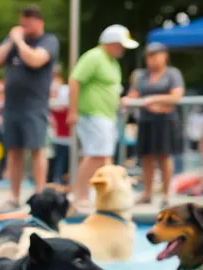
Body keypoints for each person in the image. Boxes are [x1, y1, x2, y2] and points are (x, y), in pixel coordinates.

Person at [0, 5, 61, 208]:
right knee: (14, 151)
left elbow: (35, 60)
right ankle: (13, 195)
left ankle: (40, 194)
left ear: (39, 22)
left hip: (35, 106)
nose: (24, 28)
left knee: (37, 150)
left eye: (27, 25)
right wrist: (11, 40)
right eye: (22, 25)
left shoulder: (48, 41)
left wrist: (19, 41)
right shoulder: (14, 42)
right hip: (12, 106)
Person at [68, 25, 136, 209]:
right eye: (120, 45)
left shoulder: (112, 62)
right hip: (92, 114)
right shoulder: (94, 56)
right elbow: (75, 80)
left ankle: (96, 195)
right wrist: (72, 111)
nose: (122, 49)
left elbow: (109, 88)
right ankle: (78, 194)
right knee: (96, 155)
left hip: (106, 115)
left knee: (104, 158)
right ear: (111, 42)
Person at [126, 42, 185, 205]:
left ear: (165, 56)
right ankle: (147, 193)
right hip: (146, 120)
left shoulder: (172, 74)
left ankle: (166, 194)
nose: (151, 59)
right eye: (149, 56)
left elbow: (176, 96)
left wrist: (152, 100)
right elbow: (133, 95)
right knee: (146, 157)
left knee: (165, 156)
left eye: (155, 55)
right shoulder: (141, 76)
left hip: (165, 121)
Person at [49, 66, 71, 185]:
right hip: (57, 131)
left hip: (65, 131)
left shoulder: (64, 89)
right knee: (58, 157)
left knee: (63, 157)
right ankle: (57, 178)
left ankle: (60, 178)